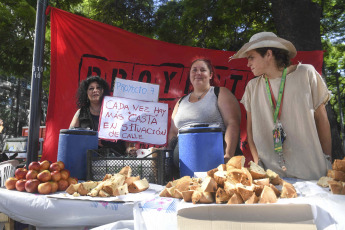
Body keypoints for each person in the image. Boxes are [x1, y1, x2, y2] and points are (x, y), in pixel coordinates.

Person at [231, 32, 332, 180]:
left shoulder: (306, 73)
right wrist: (259, 165)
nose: (248, 64)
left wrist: (327, 160)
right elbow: (250, 132)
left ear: (268, 54)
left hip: (312, 173)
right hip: (273, 178)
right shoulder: (252, 87)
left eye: (251, 57)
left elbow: (322, 119)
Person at [167, 58, 241, 168]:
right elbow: (173, 132)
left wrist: (228, 155)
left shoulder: (220, 93)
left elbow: (232, 123)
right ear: (190, 75)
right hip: (183, 167)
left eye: (203, 70)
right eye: (194, 70)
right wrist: (170, 158)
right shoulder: (181, 101)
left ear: (210, 75)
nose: (198, 73)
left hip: (215, 164)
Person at [69, 76, 136, 156]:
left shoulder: (116, 110)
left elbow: (125, 134)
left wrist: (129, 148)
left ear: (102, 91)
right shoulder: (81, 112)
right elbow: (71, 136)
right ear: (86, 93)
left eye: (98, 88)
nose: (95, 90)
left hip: (116, 158)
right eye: (91, 88)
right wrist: (90, 140)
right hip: (89, 159)